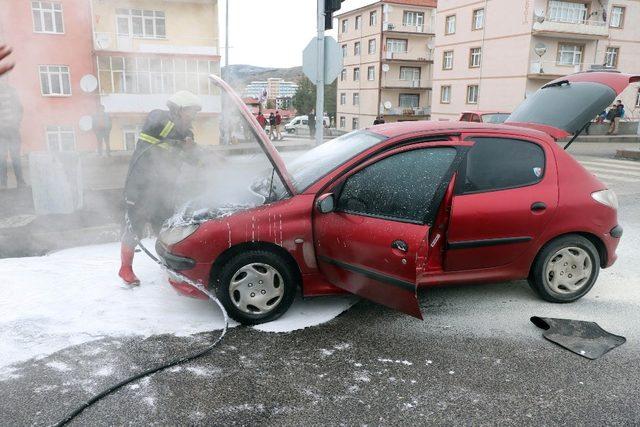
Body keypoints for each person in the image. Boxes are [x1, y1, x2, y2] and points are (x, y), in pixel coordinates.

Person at [119, 90, 203, 286]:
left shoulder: (186, 133)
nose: (194, 116)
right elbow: (164, 133)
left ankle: (169, 265)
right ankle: (125, 269)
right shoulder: (158, 119)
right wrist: (183, 141)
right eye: (191, 111)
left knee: (166, 229)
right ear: (179, 109)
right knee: (134, 229)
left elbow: (194, 157)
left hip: (164, 189)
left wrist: (207, 161)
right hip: (139, 186)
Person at [0, 80, 26, 189]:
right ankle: (3, 183)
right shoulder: (11, 91)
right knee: (2, 158)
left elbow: (20, 109)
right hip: (1, 132)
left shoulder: (12, 91)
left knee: (16, 157)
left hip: (13, 130)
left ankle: (20, 182)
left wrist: (16, 123)